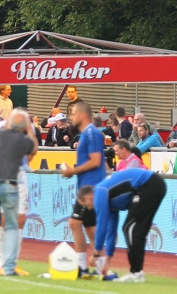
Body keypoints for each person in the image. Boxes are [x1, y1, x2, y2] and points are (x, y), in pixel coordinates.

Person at [0, 109, 37, 276]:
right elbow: (32, 152)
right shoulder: (23, 136)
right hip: (10, 180)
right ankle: (6, 265)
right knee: (9, 223)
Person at [87, 169, 167, 283]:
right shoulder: (108, 200)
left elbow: (102, 225)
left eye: (87, 205)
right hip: (150, 186)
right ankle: (136, 272)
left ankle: (136, 273)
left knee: (130, 228)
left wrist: (96, 253)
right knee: (132, 229)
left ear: (89, 196)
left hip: (149, 184)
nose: (90, 209)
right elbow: (111, 231)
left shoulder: (99, 191)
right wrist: (107, 261)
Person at [61, 100, 107, 278]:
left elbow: (95, 161)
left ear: (82, 115)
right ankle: (96, 268)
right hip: (88, 188)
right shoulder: (87, 134)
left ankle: (88, 267)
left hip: (91, 189)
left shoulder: (91, 134)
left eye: (73, 114)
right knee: (86, 228)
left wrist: (72, 170)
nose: (71, 117)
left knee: (80, 225)